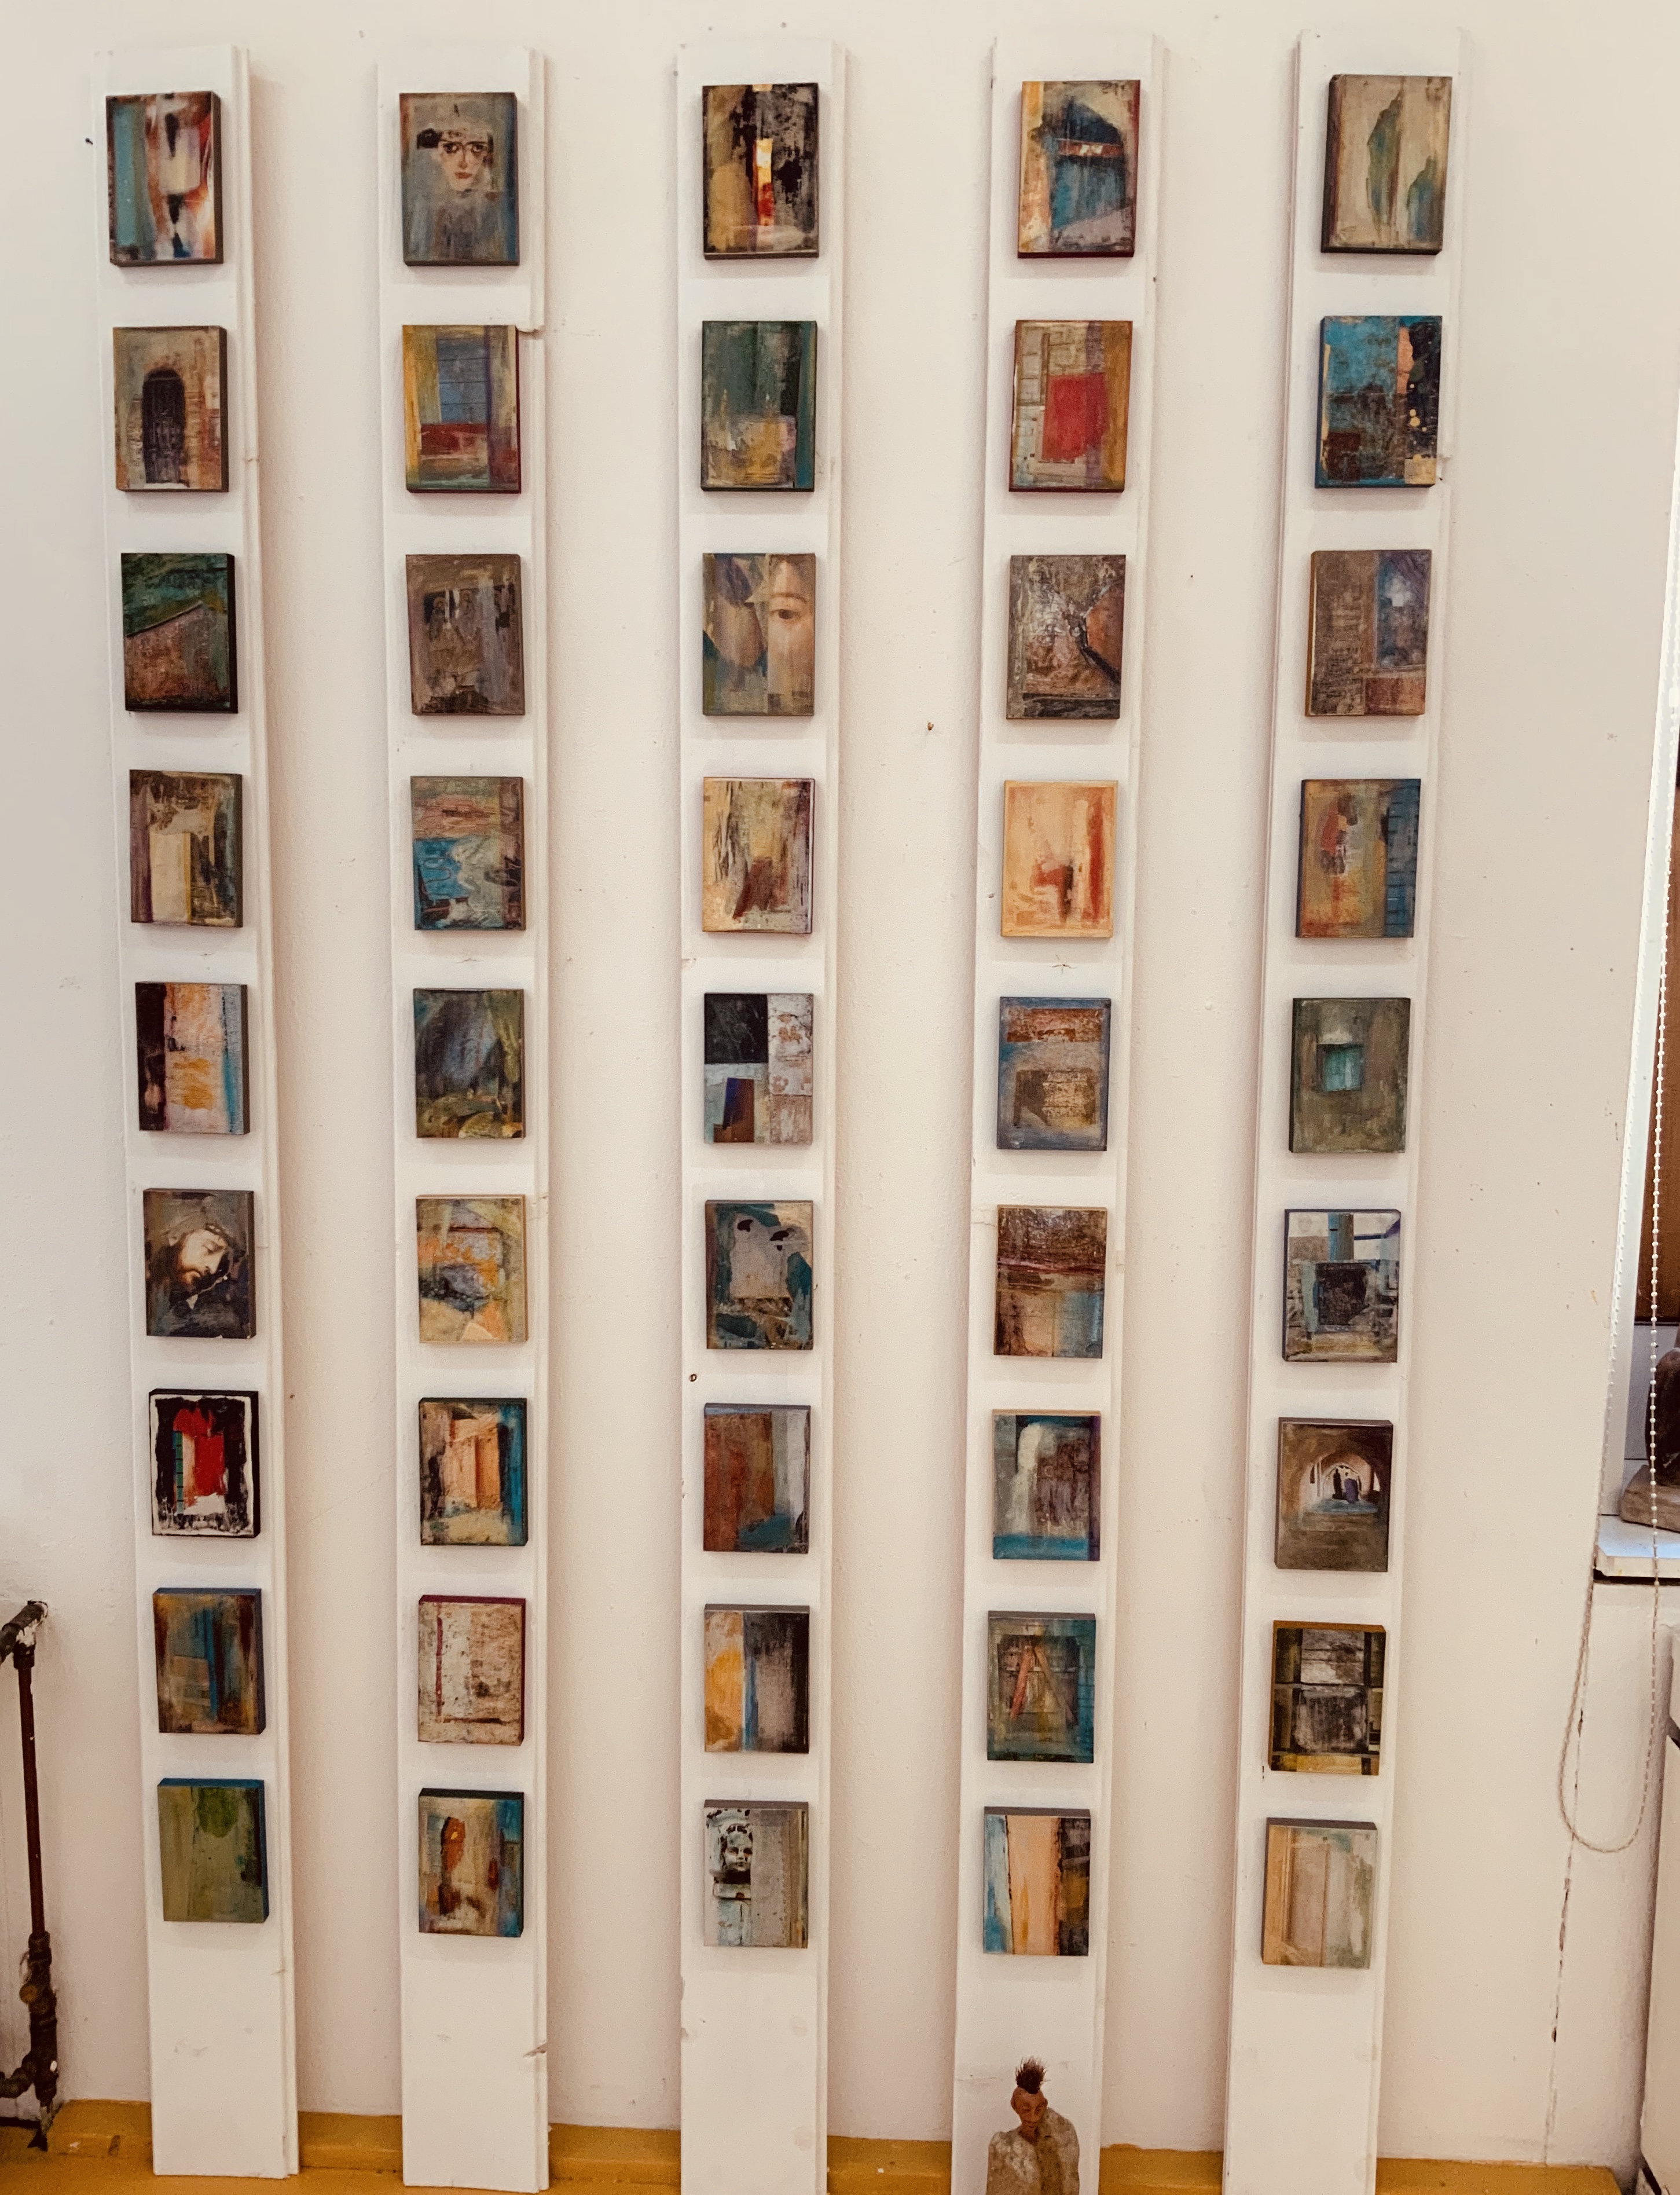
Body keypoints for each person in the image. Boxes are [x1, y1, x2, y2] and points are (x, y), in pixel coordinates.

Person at [985, 2058, 1079, 2195]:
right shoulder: (1003, 2148)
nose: (1033, 2118)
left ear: (1045, 2105)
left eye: (1038, 2110)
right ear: (1015, 2106)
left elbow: (1070, 2183)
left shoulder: (1062, 2135)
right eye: (1026, 2110)